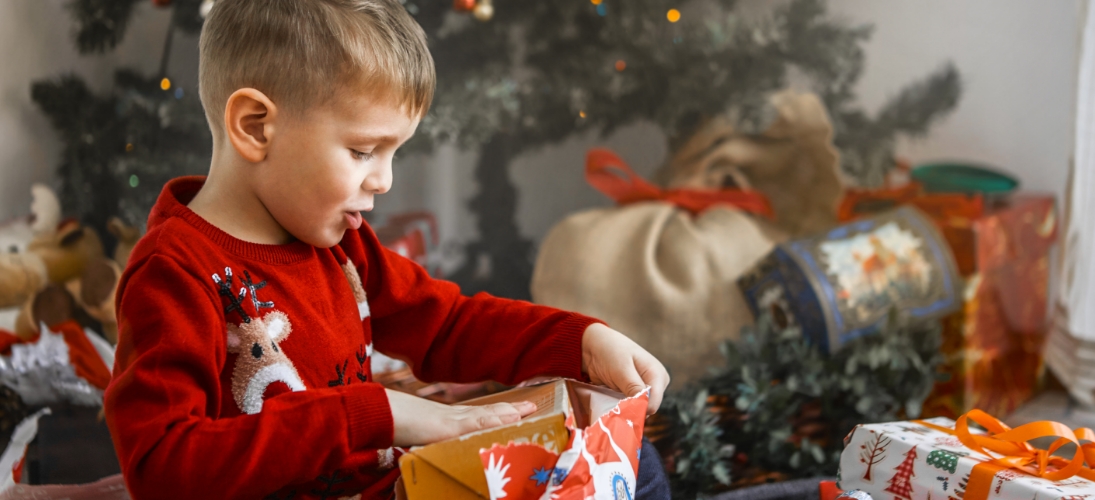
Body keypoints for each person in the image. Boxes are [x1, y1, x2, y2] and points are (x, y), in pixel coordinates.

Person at [103, 0, 671, 498]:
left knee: (629, 465)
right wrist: (377, 413)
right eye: (362, 151)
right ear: (255, 127)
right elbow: (161, 466)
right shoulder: (174, 273)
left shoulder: (343, 246)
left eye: (392, 153)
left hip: (395, 486)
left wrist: (582, 340)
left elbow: (447, 325)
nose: (385, 181)